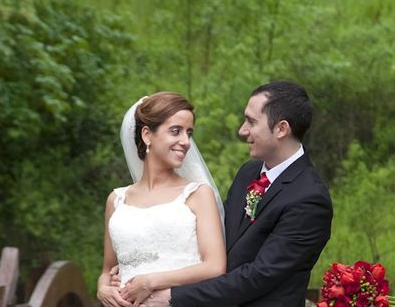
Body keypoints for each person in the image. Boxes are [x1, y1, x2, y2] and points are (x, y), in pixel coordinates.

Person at [110, 80, 333, 307]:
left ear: (281, 129)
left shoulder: (310, 198)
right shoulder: (249, 172)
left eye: (251, 122)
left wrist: (171, 296)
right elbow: (210, 237)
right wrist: (141, 259)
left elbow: (259, 276)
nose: (242, 130)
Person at [97, 92, 226, 307]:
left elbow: (215, 266)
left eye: (189, 133)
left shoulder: (198, 194)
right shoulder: (116, 200)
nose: (185, 142)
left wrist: (150, 281)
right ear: (147, 135)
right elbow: (106, 270)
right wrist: (103, 288)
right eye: (176, 131)